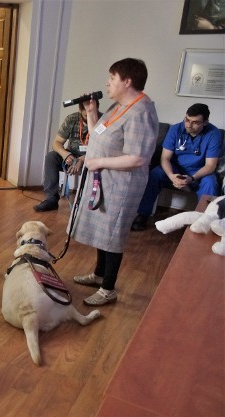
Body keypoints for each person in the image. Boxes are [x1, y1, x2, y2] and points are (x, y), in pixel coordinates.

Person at [70, 58, 159, 306]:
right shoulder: (119, 105)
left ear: (127, 81)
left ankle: (108, 288)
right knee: (102, 230)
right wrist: (90, 112)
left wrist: (99, 163)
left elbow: (138, 158)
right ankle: (99, 275)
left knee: (112, 233)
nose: (107, 83)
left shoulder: (141, 111)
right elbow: (100, 133)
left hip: (122, 185)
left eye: (112, 78)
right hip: (105, 180)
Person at [131, 103, 223, 230]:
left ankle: (204, 222)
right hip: (175, 169)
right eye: (187, 120)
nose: (189, 125)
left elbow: (210, 166)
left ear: (205, 122)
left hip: (199, 173)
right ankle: (142, 214)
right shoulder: (176, 129)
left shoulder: (214, 134)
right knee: (155, 174)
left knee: (211, 182)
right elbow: (165, 158)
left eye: (195, 122)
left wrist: (191, 178)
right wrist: (171, 176)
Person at [34, 101, 102, 212]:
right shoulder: (72, 119)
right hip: (71, 156)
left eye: (92, 113)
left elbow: (102, 149)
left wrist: (83, 159)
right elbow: (56, 143)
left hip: (92, 157)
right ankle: (51, 199)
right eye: (86, 115)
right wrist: (66, 155)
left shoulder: (103, 121)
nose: (89, 117)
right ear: (80, 110)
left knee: (100, 165)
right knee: (52, 157)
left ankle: (88, 201)